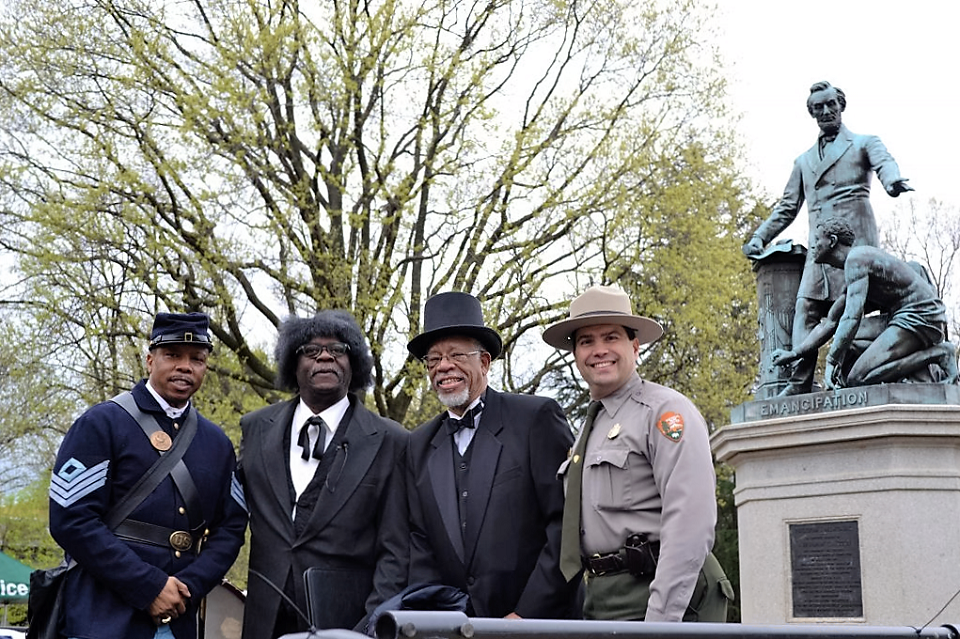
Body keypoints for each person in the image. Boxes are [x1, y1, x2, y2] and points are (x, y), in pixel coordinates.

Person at [49, 312, 248, 639]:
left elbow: (231, 527)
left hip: (182, 619)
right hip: (102, 616)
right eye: (172, 355)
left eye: (197, 359)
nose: (185, 366)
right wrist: (149, 586)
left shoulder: (217, 444)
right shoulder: (102, 424)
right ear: (149, 360)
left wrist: (189, 587)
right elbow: (71, 519)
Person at [543, 285, 732, 622]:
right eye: (586, 341)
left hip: (664, 595)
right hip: (604, 597)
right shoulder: (592, 426)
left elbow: (692, 521)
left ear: (634, 345)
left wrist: (660, 622)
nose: (599, 350)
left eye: (611, 337)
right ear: (575, 354)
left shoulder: (664, 412)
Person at [406, 291, 579, 619]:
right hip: (457, 628)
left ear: (484, 362)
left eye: (456, 355)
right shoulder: (418, 445)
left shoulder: (536, 418)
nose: (444, 366)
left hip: (539, 626)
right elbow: (421, 546)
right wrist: (435, 619)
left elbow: (566, 527)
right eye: (433, 360)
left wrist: (525, 616)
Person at [238, 311, 409, 637]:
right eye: (311, 351)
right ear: (293, 362)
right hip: (263, 622)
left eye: (338, 349)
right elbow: (229, 519)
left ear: (354, 362)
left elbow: (397, 551)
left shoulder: (392, 440)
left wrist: (371, 626)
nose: (326, 356)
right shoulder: (255, 428)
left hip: (348, 625)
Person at [742, 80, 913, 396]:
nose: (825, 112)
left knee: (855, 310)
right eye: (817, 108)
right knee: (805, 310)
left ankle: (878, 367)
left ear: (841, 105)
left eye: (830, 105)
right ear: (812, 113)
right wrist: (759, 236)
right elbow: (787, 207)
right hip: (820, 251)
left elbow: (885, 162)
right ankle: (799, 383)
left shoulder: (863, 143)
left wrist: (892, 181)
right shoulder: (804, 161)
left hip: (853, 245)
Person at [771, 217, 958, 388]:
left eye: (817, 240)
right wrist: (795, 353)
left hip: (921, 317)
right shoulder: (853, 270)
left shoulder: (856, 259)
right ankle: (899, 360)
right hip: (901, 317)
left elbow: (852, 317)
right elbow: (830, 323)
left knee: (857, 378)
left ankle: (938, 354)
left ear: (832, 241)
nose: (813, 246)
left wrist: (832, 360)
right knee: (846, 342)